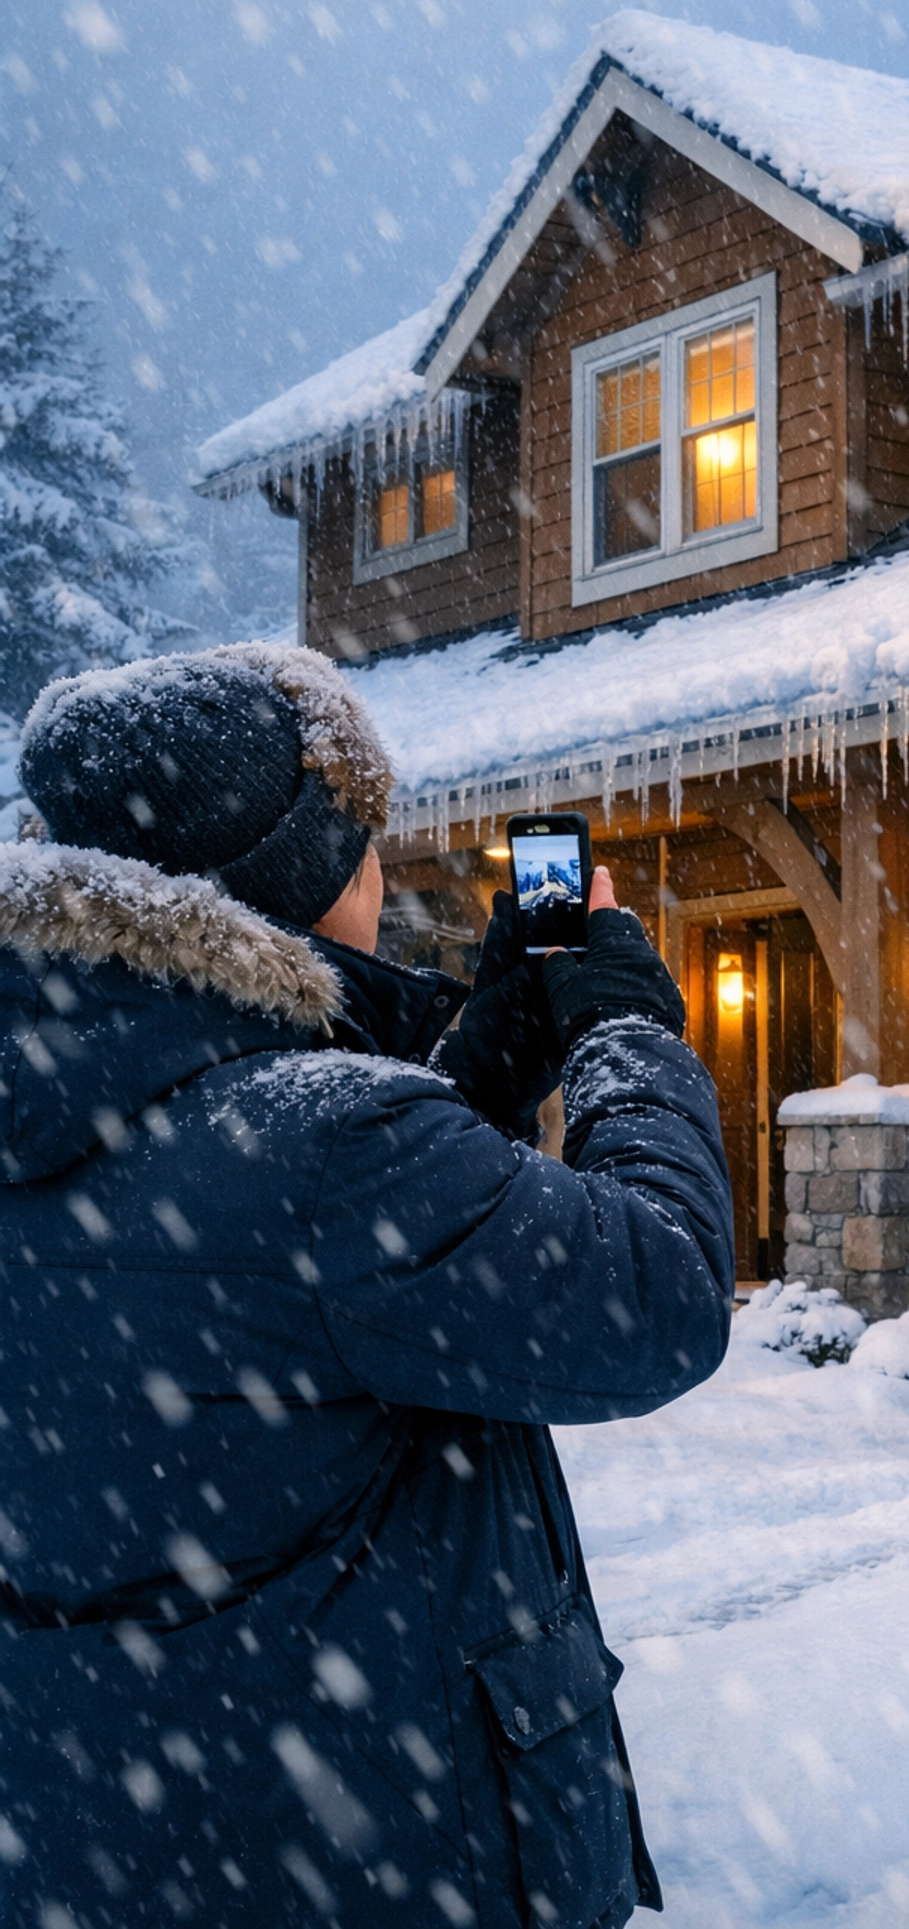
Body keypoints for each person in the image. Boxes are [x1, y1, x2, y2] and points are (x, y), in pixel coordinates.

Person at [0, 642, 734, 1929]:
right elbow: (656, 1290)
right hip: (377, 1847)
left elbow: (292, 1271)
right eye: (366, 840)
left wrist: (484, 1057)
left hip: (101, 1828)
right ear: (306, 874)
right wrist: (628, 1029)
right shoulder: (332, 1152)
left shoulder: (89, 1089)